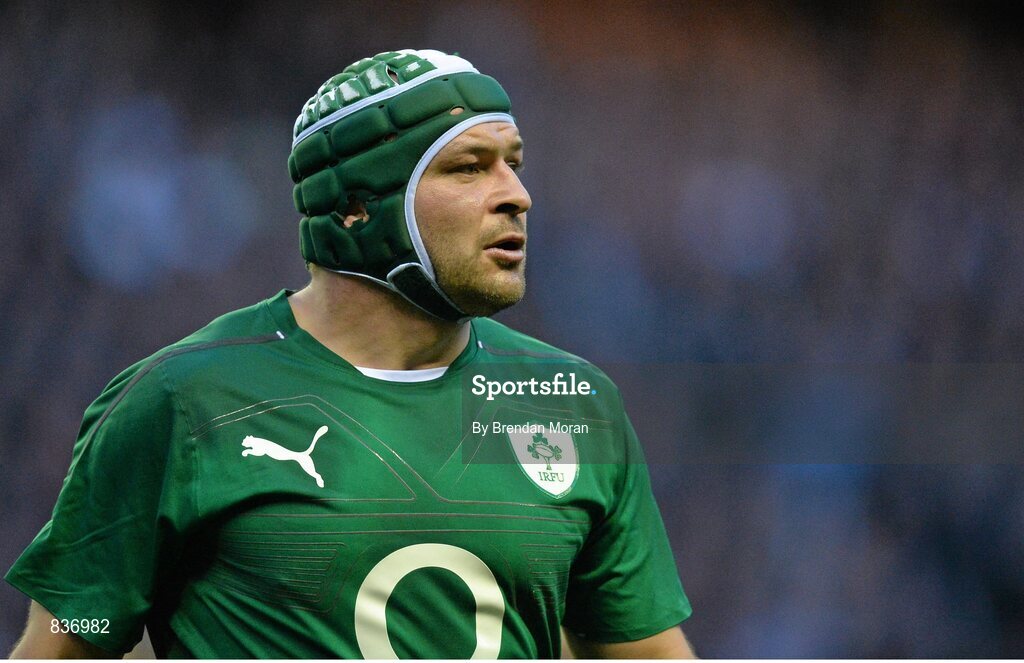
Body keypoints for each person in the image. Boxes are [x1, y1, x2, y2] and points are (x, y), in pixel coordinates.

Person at [6, 49, 695, 659]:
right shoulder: (183, 401)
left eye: (512, 164)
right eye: (468, 168)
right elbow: (63, 645)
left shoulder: (568, 401)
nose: (517, 196)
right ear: (357, 206)